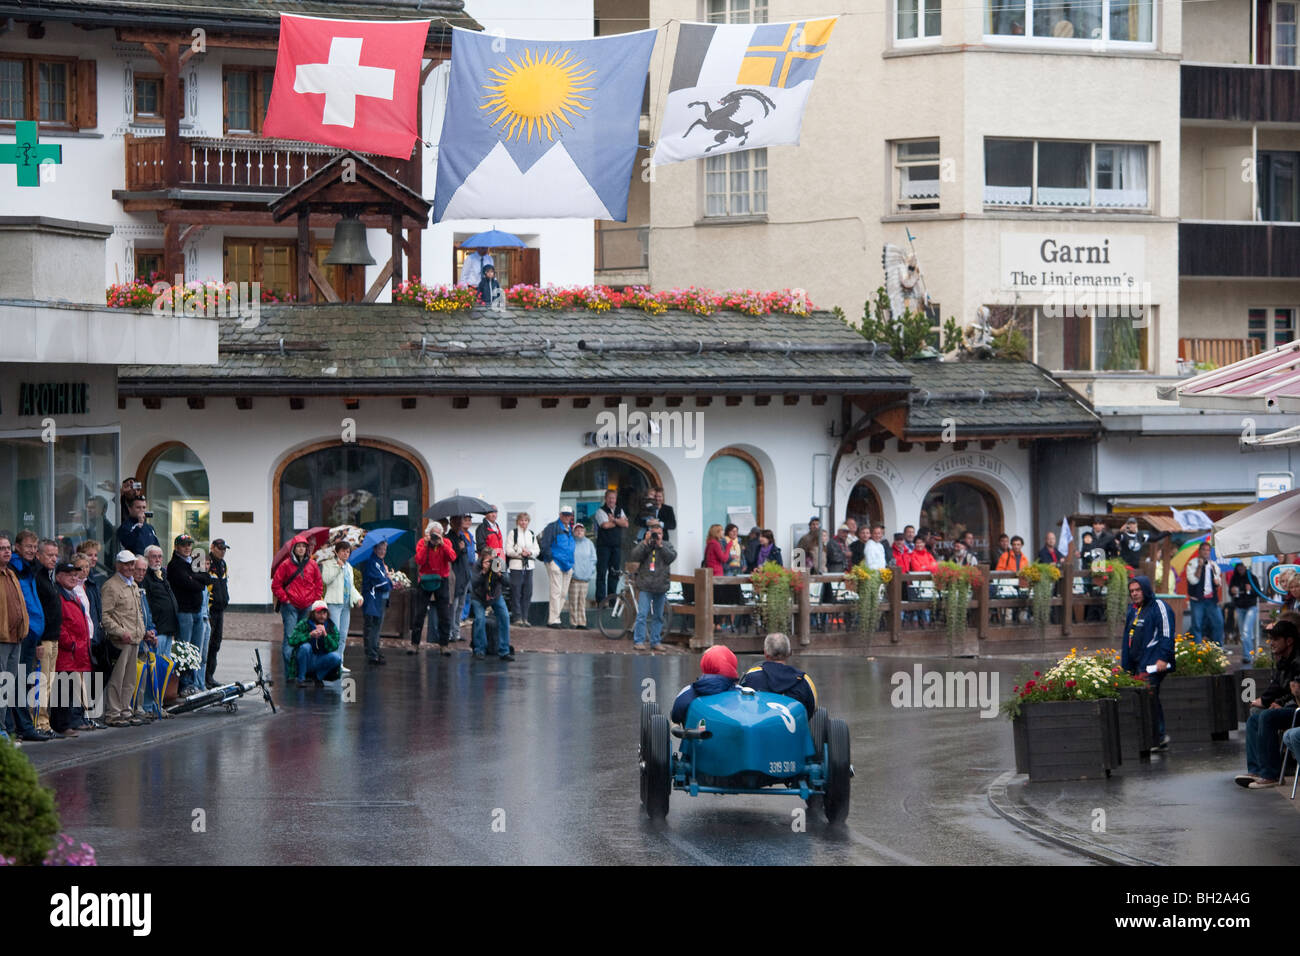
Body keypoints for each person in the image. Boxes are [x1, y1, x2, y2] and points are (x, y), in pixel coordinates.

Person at [1235, 620, 1300, 788]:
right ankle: (1256, 770)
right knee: (1254, 718)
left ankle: (1271, 774)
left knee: (1267, 716)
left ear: (1289, 641)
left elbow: (1296, 690)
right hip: (1291, 706)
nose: (1271, 643)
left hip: (1297, 710)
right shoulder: (1285, 659)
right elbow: (1281, 687)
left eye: (1276, 639)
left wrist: (1279, 703)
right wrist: (1274, 701)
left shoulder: (1298, 660)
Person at [1121, 575, 1175, 751]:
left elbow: (1166, 634)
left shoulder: (1159, 607)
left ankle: (1157, 737)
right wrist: (1126, 665)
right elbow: (1127, 639)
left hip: (1153, 663)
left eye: (1137, 590)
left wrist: (1163, 658)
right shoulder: (1133, 610)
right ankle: (1154, 737)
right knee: (1146, 699)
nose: (1135, 594)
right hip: (1138, 663)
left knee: (1149, 696)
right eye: (1132, 591)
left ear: (1145, 589)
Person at [101, 550, 147, 727]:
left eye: (131, 564)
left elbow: (139, 612)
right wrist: (120, 632)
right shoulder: (111, 586)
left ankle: (126, 710)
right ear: (118, 565)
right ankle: (113, 713)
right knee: (117, 678)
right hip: (121, 640)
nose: (129, 567)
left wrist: (142, 631)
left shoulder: (133, 585)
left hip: (134, 638)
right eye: (126, 564)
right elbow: (105, 616)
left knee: (130, 679)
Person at [49, 562, 91, 737]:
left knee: (70, 687)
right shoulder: (59, 595)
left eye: (75, 575)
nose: (74, 577)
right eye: (69, 574)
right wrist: (70, 643)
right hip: (67, 650)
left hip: (76, 650)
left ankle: (71, 721)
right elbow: (59, 623)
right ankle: (63, 725)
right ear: (58, 576)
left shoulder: (72, 594)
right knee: (62, 687)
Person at [272, 534, 324, 669]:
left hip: (307, 607)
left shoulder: (312, 564)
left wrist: (315, 600)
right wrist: (286, 600)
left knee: (305, 638)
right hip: (290, 607)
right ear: (293, 548)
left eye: (303, 546)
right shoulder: (285, 565)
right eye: (298, 546)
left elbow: (319, 584)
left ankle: (302, 670)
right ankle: (290, 670)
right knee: (290, 638)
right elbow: (276, 585)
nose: (301, 549)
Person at [168, 533, 212, 691]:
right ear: (177, 547)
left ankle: (194, 683)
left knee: (196, 650)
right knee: (185, 649)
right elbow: (189, 583)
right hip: (184, 612)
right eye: (184, 545)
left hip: (197, 611)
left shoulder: (194, 561)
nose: (187, 548)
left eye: (189, 545)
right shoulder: (174, 565)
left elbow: (206, 579)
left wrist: (195, 578)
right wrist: (196, 580)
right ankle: (184, 685)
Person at [739, 632, 818, 718]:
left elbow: (741, 704)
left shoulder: (751, 677)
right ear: (789, 653)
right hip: (794, 729)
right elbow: (812, 710)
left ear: (765, 653)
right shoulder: (804, 681)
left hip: (760, 728)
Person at [0, 536, 32, 742]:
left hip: (15, 638)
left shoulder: (10, 574)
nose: (6, 551)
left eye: (8, 548)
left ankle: (2, 728)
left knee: (7, 685)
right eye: (1, 548)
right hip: (1, 638)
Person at [411, 521, 456, 657]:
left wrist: (442, 544)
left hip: (441, 580)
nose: (435, 537)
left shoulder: (446, 543)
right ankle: (415, 644)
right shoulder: (422, 543)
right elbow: (419, 560)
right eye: (433, 534)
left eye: (438, 534)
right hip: (425, 580)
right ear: (428, 534)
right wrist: (426, 545)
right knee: (419, 613)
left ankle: (444, 645)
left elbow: (452, 557)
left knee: (444, 614)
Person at [631, 524, 676, 651]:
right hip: (645, 585)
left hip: (660, 586)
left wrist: (660, 546)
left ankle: (655, 641)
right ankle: (639, 641)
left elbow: (671, 557)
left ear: (663, 534)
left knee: (658, 616)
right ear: (649, 533)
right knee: (642, 615)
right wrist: (645, 542)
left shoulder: (667, 546)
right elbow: (634, 556)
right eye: (654, 533)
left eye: (659, 533)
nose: (657, 536)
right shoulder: (645, 545)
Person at [670, 646, 740, 723]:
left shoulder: (688, 692)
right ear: (732, 666)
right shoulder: (740, 691)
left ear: (704, 664)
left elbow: (675, 717)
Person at [320, 540, 361, 664]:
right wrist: (338, 567)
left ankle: (339, 662)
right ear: (337, 552)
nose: (345, 554)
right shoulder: (328, 564)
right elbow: (326, 580)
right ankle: (330, 661)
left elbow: (351, 586)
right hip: (334, 603)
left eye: (348, 551)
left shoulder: (349, 567)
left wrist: (358, 597)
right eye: (343, 551)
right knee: (334, 634)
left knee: (343, 635)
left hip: (346, 604)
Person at [469, 547, 513, 661]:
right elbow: (472, 584)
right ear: (482, 559)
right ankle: (479, 649)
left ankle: (504, 651)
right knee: (480, 619)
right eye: (489, 560)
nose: (492, 562)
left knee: (504, 617)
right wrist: (483, 572)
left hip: (495, 595)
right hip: (479, 596)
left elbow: (508, 582)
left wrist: (500, 574)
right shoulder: (477, 565)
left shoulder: (499, 563)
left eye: (493, 559)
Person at [287, 600, 343, 688]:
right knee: (306, 647)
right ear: (313, 613)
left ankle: (318, 678)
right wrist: (309, 635)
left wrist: (325, 635)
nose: (322, 616)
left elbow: (335, 646)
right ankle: (301, 679)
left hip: (321, 659)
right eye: (319, 613)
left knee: (336, 657)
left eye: (324, 613)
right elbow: (292, 640)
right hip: (306, 659)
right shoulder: (304, 623)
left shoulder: (331, 626)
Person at [538, 506, 577, 629]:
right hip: (556, 563)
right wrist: (551, 560)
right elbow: (545, 544)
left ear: (571, 516)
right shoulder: (552, 527)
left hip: (567, 564)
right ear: (560, 515)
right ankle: (553, 620)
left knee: (563, 593)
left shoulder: (570, 528)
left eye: (568, 515)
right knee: (556, 591)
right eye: (564, 515)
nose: (566, 517)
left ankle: (556, 618)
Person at [1185, 541, 1225, 645]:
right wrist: (1199, 567)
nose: (1206, 552)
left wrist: (1218, 582)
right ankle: (1197, 649)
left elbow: (1218, 580)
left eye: (1208, 550)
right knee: (1197, 625)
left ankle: (1217, 648)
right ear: (1199, 551)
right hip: (1197, 600)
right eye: (1204, 550)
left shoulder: (1213, 565)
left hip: (1211, 599)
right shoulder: (1192, 563)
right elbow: (1193, 581)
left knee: (1218, 623)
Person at [360, 538, 393, 665]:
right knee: (373, 626)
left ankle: (375, 650)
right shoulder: (371, 562)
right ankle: (372, 653)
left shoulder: (379, 562)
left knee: (376, 626)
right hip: (373, 599)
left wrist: (386, 574)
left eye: (384, 549)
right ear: (374, 549)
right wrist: (389, 580)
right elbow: (381, 584)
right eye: (380, 549)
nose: (382, 551)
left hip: (380, 599)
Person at [593, 489, 629, 604]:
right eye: (609, 498)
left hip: (616, 547)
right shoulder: (600, 511)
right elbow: (605, 525)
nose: (611, 500)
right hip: (603, 547)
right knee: (602, 573)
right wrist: (618, 522)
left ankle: (612, 600)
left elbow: (626, 524)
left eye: (613, 498)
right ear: (605, 498)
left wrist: (613, 520)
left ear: (616, 499)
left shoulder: (620, 510)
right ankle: (601, 601)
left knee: (614, 574)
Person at [505, 512, 539, 626]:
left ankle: (525, 617)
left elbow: (537, 550)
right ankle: (517, 617)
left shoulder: (532, 534)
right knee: (516, 592)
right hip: (516, 566)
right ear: (517, 521)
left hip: (529, 566)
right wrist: (520, 552)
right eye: (521, 520)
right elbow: (508, 550)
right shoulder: (512, 533)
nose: (523, 522)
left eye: (525, 520)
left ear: (528, 522)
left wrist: (529, 552)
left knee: (527, 592)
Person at [206, 539, 231, 688]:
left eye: (224, 549)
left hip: (219, 610)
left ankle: (210, 676)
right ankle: (203, 678)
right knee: (207, 644)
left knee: (216, 644)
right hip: (209, 610)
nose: (222, 551)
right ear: (212, 547)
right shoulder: (206, 562)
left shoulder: (223, 564)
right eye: (220, 548)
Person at [448, 516, 476, 639]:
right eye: (457, 522)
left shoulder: (462, 537)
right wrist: (460, 549)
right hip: (456, 575)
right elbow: (452, 557)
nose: (459, 524)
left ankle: (456, 632)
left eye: (460, 522)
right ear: (451, 523)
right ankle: (450, 632)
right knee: (454, 606)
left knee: (460, 605)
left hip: (465, 575)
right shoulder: (449, 538)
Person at [1230, 562, 1262, 665]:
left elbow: (1258, 593)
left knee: (1246, 631)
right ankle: (1248, 655)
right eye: (1238, 566)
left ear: (1246, 566)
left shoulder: (1252, 577)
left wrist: (1251, 590)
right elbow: (1230, 592)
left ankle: (1248, 656)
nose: (1240, 568)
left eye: (1242, 566)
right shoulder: (1234, 578)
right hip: (1240, 607)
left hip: (1251, 607)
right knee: (1244, 633)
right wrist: (1232, 591)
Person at [569, 523, 596, 630]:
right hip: (574, 578)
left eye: (581, 530)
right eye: (577, 530)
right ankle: (574, 622)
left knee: (582, 601)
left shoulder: (589, 543)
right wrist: (572, 572)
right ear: (574, 532)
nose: (579, 532)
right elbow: (568, 558)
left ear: (584, 532)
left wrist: (590, 572)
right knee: (573, 601)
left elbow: (593, 559)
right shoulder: (571, 543)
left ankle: (582, 623)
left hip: (585, 578)